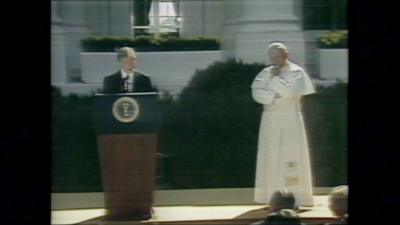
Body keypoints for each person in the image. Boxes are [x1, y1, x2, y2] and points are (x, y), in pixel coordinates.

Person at [251, 42, 315, 207]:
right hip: (271, 120)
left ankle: (296, 199)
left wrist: (275, 80)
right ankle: (270, 198)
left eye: (278, 56)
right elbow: (257, 92)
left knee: (291, 157)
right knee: (271, 156)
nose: (275, 60)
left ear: (286, 56)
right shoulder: (265, 72)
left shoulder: (296, 72)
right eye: (272, 57)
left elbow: (290, 93)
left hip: (290, 119)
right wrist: (273, 96)